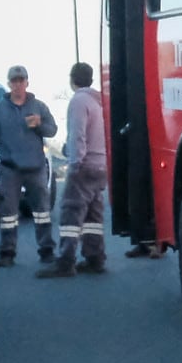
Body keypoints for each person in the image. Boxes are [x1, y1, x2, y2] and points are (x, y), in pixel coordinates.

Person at [0, 65, 60, 273]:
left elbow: (52, 130)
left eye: (21, 80)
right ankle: (7, 253)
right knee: (8, 214)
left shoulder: (39, 106)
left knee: (42, 212)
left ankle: (46, 250)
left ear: (27, 82)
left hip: (35, 168)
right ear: (9, 84)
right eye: (14, 81)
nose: (17, 85)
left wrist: (39, 124)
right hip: (10, 169)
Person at [57, 62, 108, 274]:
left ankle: (65, 261)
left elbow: (78, 135)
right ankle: (95, 258)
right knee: (93, 216)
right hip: (101, 165)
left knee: (71, 212)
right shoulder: (99, 102)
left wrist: (74, 163)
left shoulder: (78, 101)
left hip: (84, 166)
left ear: (72, 80)